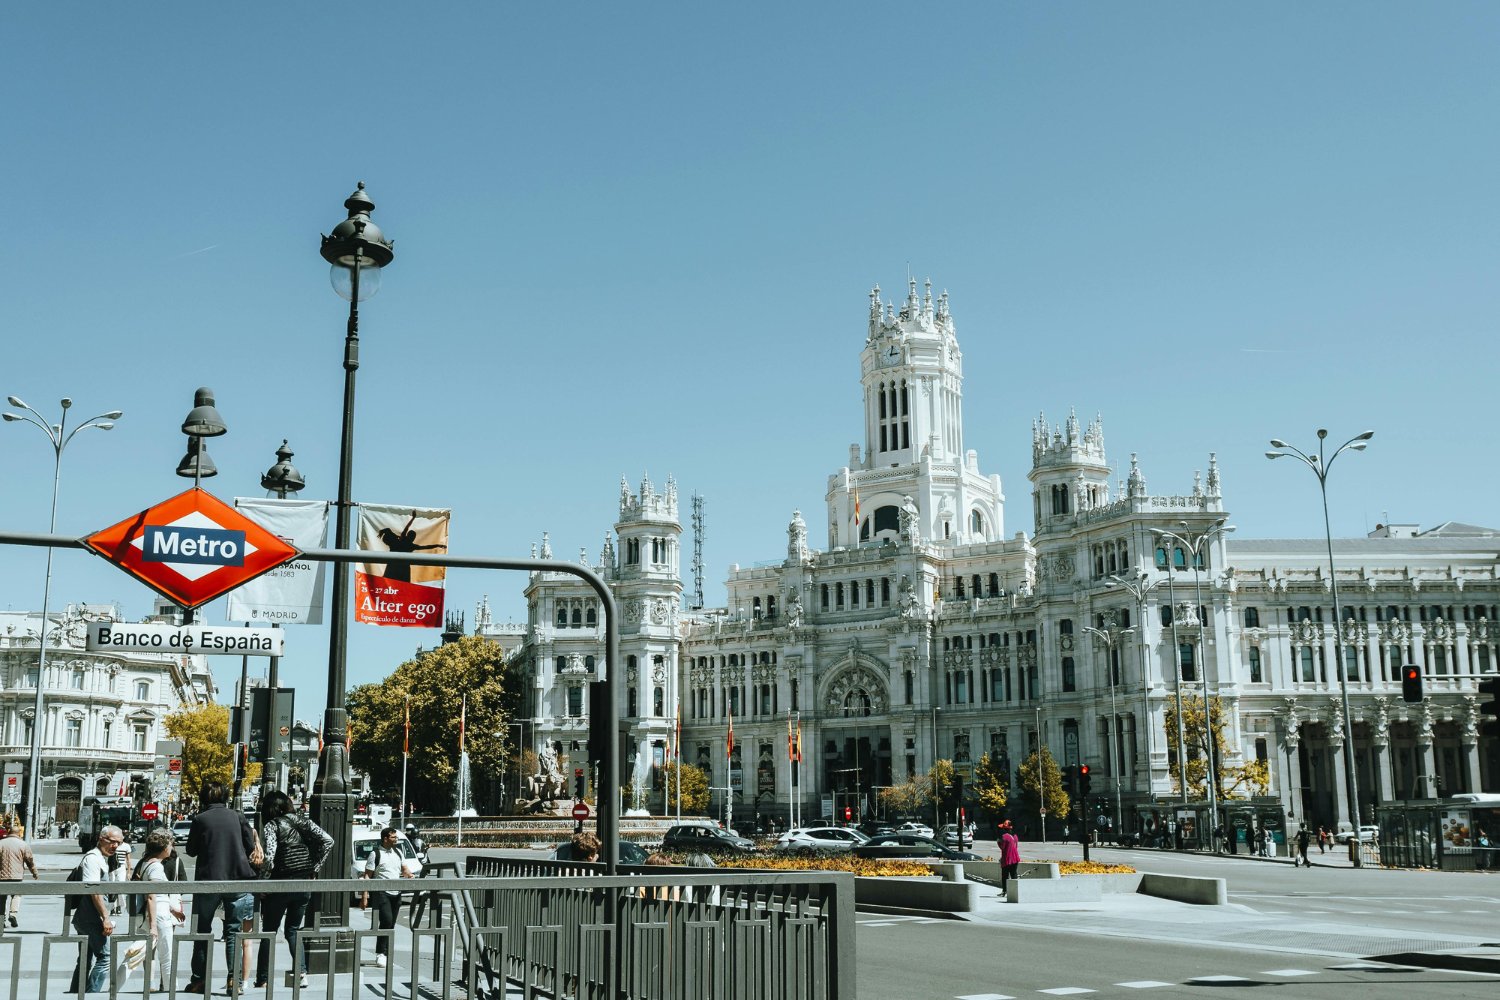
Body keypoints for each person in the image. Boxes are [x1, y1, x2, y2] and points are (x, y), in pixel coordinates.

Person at [184, 780, 259, 994]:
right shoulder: (238, 816)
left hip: (209, 881)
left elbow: (190, 850)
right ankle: (233, 980)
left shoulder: (200, 819)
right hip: (237, 879)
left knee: (203, 930)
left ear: (203, 797)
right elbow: (250, 847)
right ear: (225, 796)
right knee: (233, 931)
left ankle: (199, 979)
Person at [256, 791, 333, 989]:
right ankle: (301, 973)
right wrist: (314, 867)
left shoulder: (272, 825)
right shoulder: (303, 821)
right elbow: (328, 840)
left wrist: (263, 883)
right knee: (293, 930)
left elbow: (270, 857)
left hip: (280, 882)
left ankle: (263, 978)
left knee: (269, 931)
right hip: (303, 881)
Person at [124, 830, 185, 992]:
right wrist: (153, 926)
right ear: (164, 847)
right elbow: (152, 896)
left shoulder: (145, 862)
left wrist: (173, 909)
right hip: (159, 915)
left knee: (144, 952)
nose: (172, 847)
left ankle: (150, 985)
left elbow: (155, 895)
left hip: (153, 913)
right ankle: (171, 990)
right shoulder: (157, 866)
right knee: (167, 956)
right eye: (170, 844)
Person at [68, 825, 124, 993]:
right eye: (112, 842)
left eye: (118, 843)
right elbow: (94, 890)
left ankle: (76, 994)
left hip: (85, 918)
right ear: (101, 839)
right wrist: (105, 917)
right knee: (105, 958)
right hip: (91, 919)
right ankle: (92, 994)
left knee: (85, 959)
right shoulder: (92, 858)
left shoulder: (100, 857)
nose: (115, 846)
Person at [360, 827, 415, 969]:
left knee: (391, 924)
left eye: (396, 837)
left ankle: (387, 953)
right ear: (385, 838)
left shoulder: (398, 852)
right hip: (381, 892)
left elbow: (404, 869)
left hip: (396, 892)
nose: (396, 840)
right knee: (386, 921)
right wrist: (364, 896)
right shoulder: (375, 854)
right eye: (393, 837)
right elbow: (367, 876)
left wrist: (410, 875)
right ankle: (380, 953)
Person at [0, 823, 39, 929]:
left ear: (9, 832)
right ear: (19, 833)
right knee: (16, 895)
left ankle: (1, 920)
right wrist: (34, 872)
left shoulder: (1, 843)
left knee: (1, 898)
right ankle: (13, 914)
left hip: (1, 877)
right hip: (16, 876)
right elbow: (29, 860)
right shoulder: (23, 844)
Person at [998, 821, 1020, 895]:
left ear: (1005, 829)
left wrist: (998, 842)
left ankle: (1005, 891)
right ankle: (1015, 892)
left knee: (1005, 876)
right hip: (1015, 858)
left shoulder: (1004, 836)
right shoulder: (1015, 836)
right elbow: (1015, 847)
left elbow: (1002, 847)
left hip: (1007, 859)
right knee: (1014, 875)